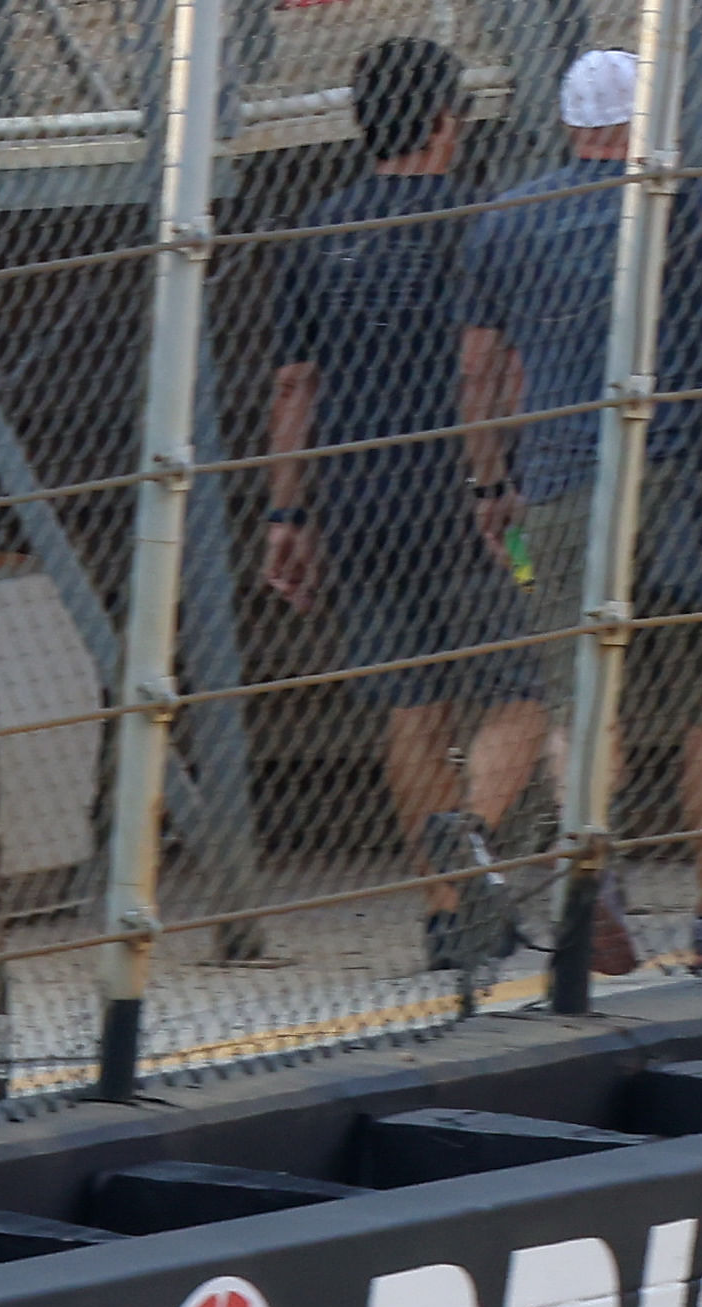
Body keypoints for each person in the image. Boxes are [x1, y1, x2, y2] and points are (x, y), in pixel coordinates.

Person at [456, 47, 702, 972]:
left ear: (571, 123)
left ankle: (591, 877)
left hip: (567, 482)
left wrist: (492, 482)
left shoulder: (510, 219)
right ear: (644, 122)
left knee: (582, 704)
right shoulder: (693, 209)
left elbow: (480, 368)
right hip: (691, 479)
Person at [262, 36, 548, 975]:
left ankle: (443, 915)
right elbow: (493, 364)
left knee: (410, 701)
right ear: (441, 122)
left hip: (355, 498)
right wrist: (497, 476)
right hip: (472, 501)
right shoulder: (484, 221)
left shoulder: (320, 229)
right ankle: (468, 837)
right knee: (527, 684)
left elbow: (295, 385)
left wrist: (286, 515)